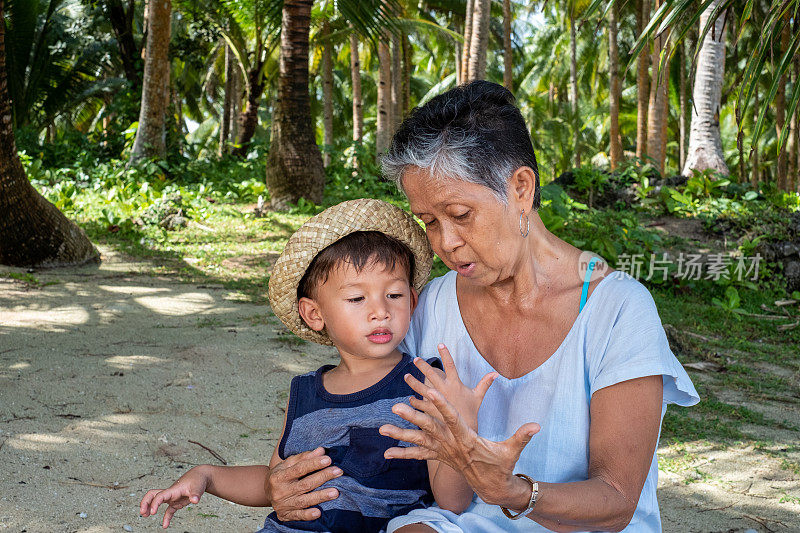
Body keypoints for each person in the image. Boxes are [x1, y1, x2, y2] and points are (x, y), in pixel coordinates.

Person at [369, 80, 701, 532]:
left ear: (521, 188)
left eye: (461, 215)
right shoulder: (431, 306)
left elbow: (618, 500)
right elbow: (355, 400)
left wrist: (512, 492)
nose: (446, 242)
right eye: (429, 221)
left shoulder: (619, 309)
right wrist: (284, 479)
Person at [138, 198, 486, 532]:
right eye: (356, 298)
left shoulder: (426, 384)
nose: (380, 310)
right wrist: (207, 476)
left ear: (412, 301)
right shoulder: (304, 394)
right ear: (314, 314)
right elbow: (273, 483)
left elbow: (452, 502)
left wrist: (461, 432)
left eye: (394, 295)